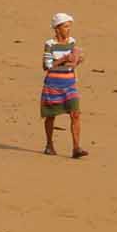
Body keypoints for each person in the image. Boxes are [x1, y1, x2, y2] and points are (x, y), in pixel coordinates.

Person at [40, 13, 85, 159]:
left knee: (75, 113)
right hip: (53, 84)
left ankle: (76, 147)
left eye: (69, 26)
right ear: (57, 28)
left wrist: (78, 60)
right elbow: (47, 66)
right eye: (65, 26)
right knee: (51, 115)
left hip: (69, 83)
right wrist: (63, 59)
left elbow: (72, 63)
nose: (68, 29)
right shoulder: (50, 44)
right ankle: (49, 145)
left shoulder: (72, 42)